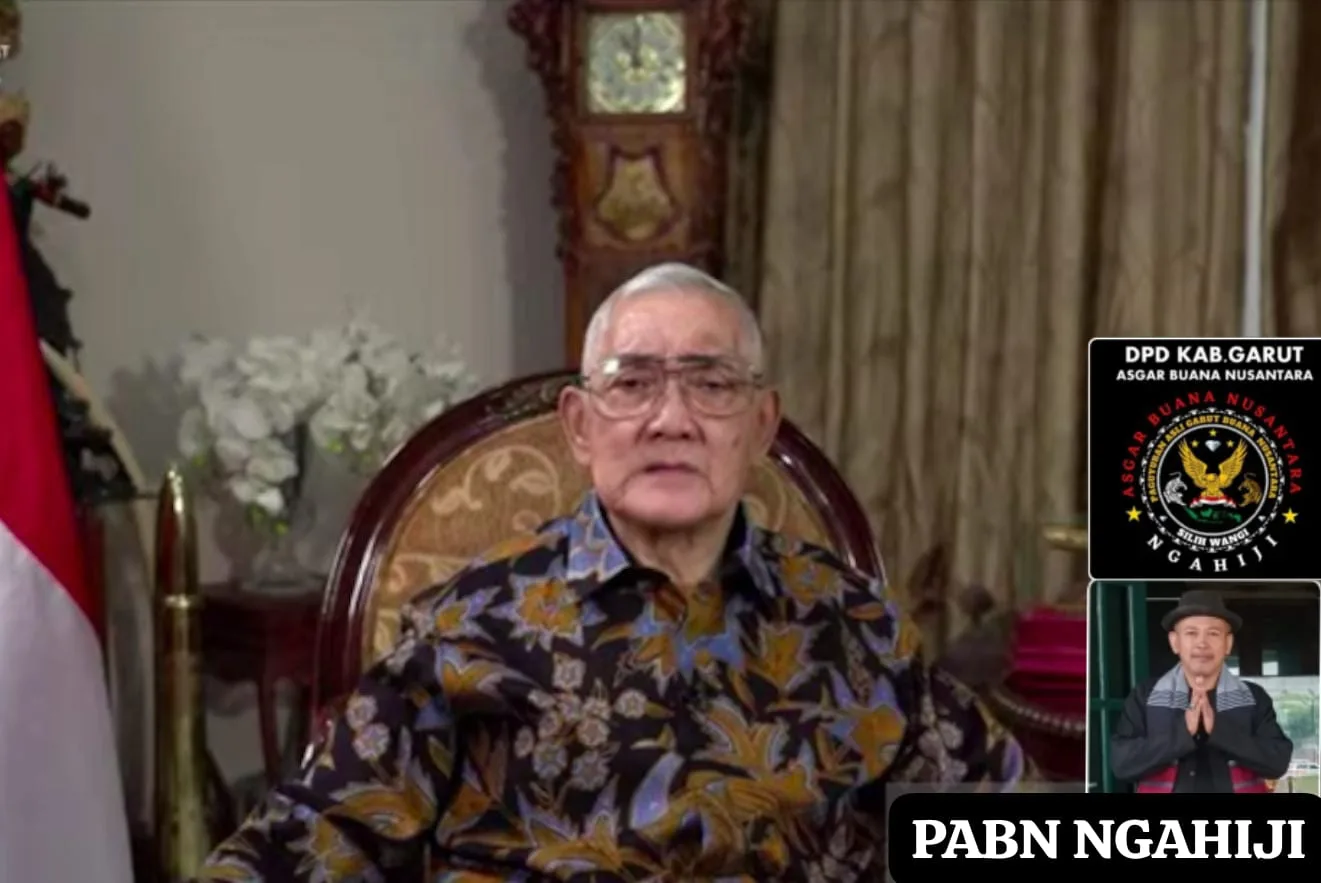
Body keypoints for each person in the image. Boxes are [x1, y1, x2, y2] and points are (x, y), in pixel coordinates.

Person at [200, 262, 1024, 881]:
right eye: (632, 383)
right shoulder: (471, 626)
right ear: (580, 425)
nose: (671, 419)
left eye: (710, 383)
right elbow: (311, 839)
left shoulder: (853, 626)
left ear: (760, 423)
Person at [1109, 589, 1293, 793]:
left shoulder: (1254, 697)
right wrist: (1182, 733)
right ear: (1175, 642)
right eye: (1191, 633)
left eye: (1213, 633)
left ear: (1228, 644)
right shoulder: (1145, 696)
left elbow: (1278, 762)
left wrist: (1219, 731)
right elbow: (1122, 764)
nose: (1202, 643)